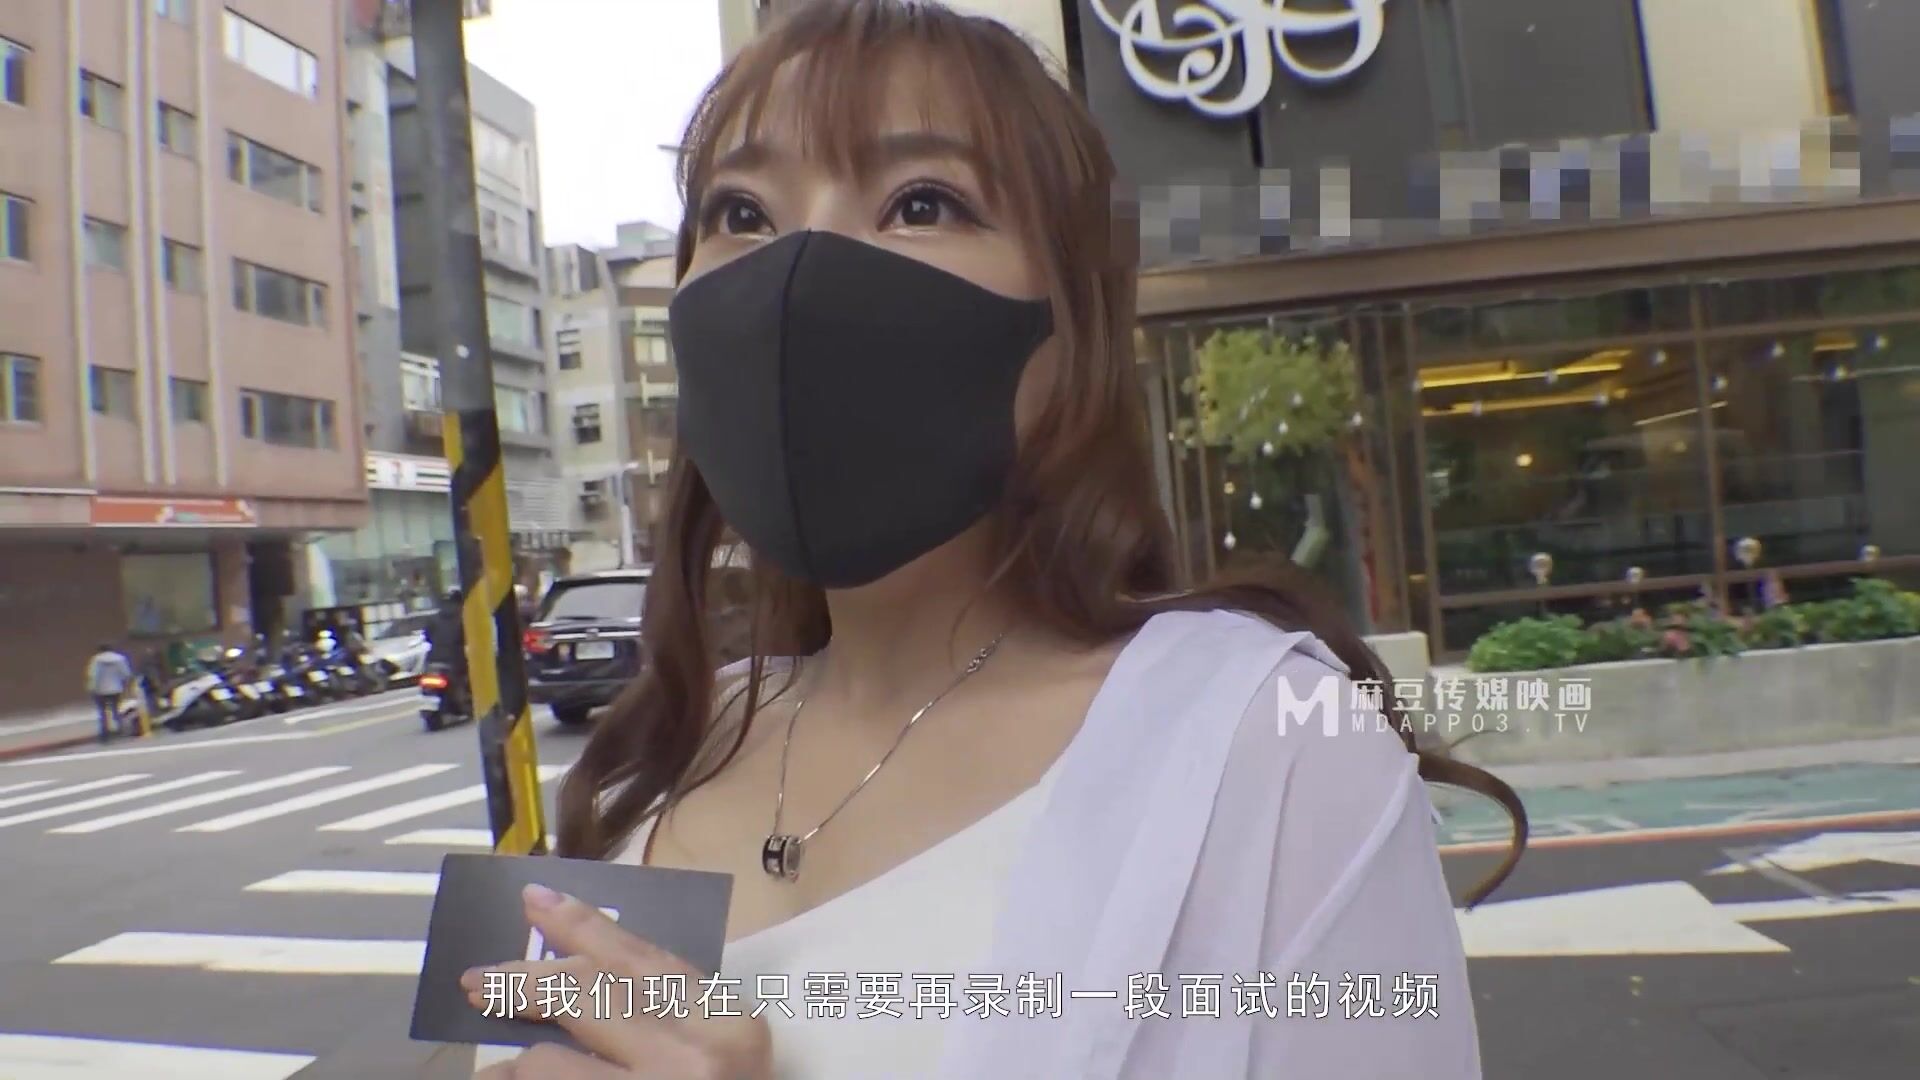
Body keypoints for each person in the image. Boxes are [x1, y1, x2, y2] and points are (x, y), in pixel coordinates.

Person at [466, 3, 1526, 1077]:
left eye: (921, 202)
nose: (797, 273)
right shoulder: (672, 746)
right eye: (741, 212)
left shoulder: (1264, 748)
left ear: (1073, 328)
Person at [84, 642, 133, 742]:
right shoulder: (120, 659)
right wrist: (124, 683)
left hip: (100, 690)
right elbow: (126, 674)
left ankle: (105, 733)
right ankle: (121, 729)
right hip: (116, 688)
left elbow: (93, 675)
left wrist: (91, 688)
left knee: (103, 712)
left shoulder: (96, 660)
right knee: (116, 710)